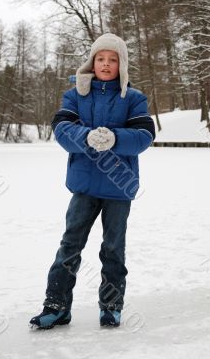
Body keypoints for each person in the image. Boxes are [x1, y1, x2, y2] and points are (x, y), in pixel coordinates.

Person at [29, 33, 156, 329]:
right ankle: (56, 305)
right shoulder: (75, 94)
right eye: (101, 58)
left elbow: (144, 136)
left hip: (118, 187)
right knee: (69, 245)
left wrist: (114, 138)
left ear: (121, 64)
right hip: (84, 185)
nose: (106, 64)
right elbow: (61, 128)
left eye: (113, 59)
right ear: (92, 61)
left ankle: (111, 306)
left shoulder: (133, 98)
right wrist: (85, 136)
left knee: (113, 249)